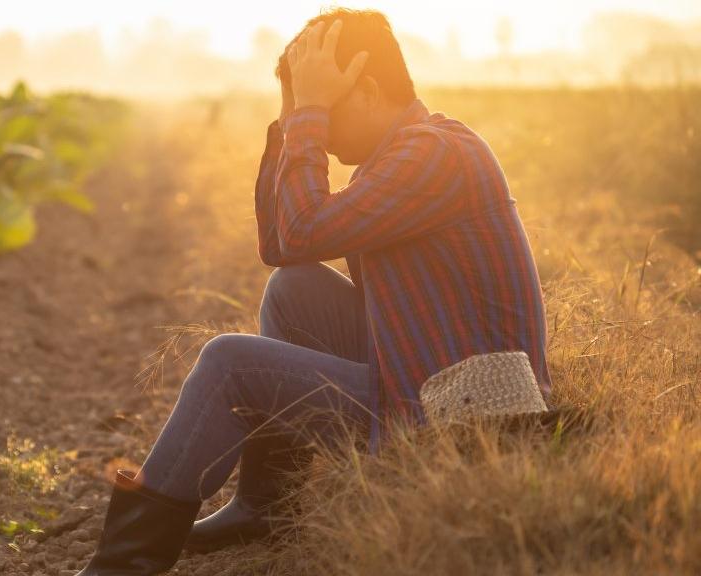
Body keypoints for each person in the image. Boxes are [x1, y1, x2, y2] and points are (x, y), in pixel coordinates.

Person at [76, 8, 551, 575]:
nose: (314, 125)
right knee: (293, 288)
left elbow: (302, 231)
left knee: (230, 364)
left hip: (459, 416)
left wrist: (308, 117)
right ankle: (266, 506)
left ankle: (121, 566)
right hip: (421, 373)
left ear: (368, 91)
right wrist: (293, 120)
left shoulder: (434, 155)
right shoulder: (395, 155)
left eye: (323, 106)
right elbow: (282, 245)